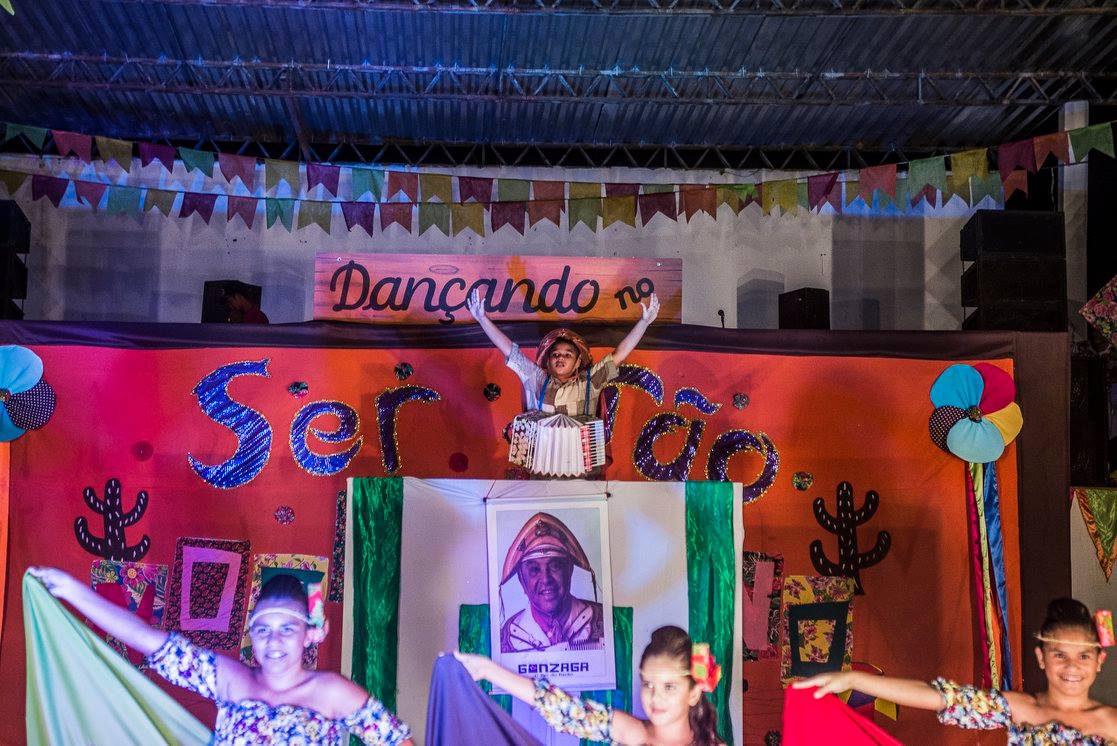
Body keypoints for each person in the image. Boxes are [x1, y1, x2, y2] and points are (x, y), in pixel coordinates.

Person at [28, 566, 414, 746]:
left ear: (309, 635)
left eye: (287, 629)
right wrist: (72, 590)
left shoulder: (332, 692)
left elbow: (398, 742)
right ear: (251, 635)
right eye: (263, 629)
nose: (273, 641)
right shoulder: (229, 678)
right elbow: (145, 638)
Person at [794, 598, 1117, 744]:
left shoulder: (1112, 722)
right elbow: (940, 697)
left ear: (1099, 660)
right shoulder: (1020, 708)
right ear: (1041, 657)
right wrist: (854, 678)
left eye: (1084, 656)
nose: (1072, 666)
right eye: (1059, 654)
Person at [455, 624, 724, 746]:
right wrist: (487, 670)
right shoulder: (632, 732)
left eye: (669, 687)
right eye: (648, 684)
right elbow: (562, 709)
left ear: (694, 693)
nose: (655, 697)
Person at [467, 288, 659, 417]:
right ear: (548, 361)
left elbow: (619, 354)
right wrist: (482, 319)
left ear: (578, 362)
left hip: (581, 463)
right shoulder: (536, 378)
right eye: (555, 354)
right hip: (541, 462)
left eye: (568, 354)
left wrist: (644, 322)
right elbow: (510, 351)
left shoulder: (590, 381)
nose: (560, 357)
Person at [499, 511, 604, 653]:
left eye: (555, 566)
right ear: (522, 580)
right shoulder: (506, 640)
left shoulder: (607, 622)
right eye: (534, 570)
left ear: (569, 570)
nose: (546, 579)